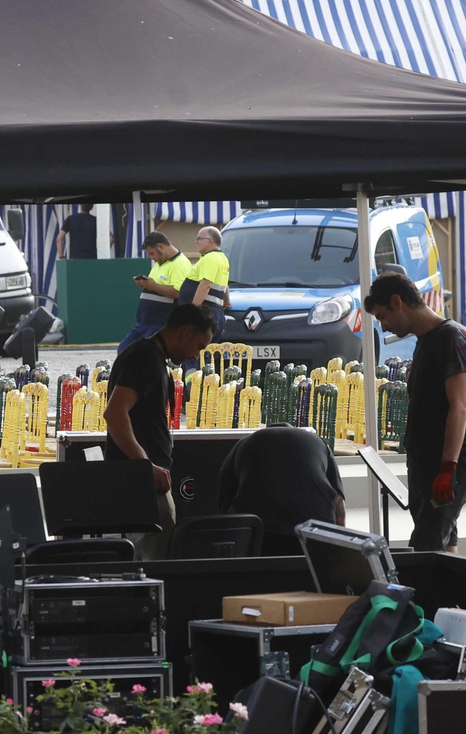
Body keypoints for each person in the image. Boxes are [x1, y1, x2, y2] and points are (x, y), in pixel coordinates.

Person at [364, 271, 466, 552]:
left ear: (397, 301)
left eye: (382, 316)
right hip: (426, 466)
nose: (384, 325)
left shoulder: (451, 338)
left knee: (426, 549)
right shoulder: (425, 340)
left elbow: (460, 406)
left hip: (446, 466)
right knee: (443, 542)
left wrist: (448, 468)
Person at [103, 303, 216, 559]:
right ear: (186, 332)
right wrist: (146, 466)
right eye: (199, 346)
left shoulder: (149, 357)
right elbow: (115, 414)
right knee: (153, 565)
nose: (196, 356)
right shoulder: (144, 359)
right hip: (142, 483)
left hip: (145, 479)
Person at [215, 423, 345, 555]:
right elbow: (339, 505)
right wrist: (340, 552)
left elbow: (223, 508)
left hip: (259, 534)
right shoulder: (319, 442)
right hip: (314, 531)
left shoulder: (242, 444)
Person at [118, 231, 192, 353]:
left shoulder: (181, 264)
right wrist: (145, 284)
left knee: (143, 353)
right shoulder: (160, 263)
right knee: (124, 348)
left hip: (160, 323)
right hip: (144, 323)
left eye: (152, 253)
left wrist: (153, 286)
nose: (152, 258)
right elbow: (155, 287)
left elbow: (178, 292)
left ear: (161, 246)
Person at [178, 225, 229, 331]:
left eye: (199, 239)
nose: (196, 242)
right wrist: (227, 299)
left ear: (209, 241)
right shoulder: (222, 258)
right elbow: (225, 283)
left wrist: (194, 310)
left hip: (204, 315)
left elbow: (205, 285)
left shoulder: (210, 258)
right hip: (214, 313)